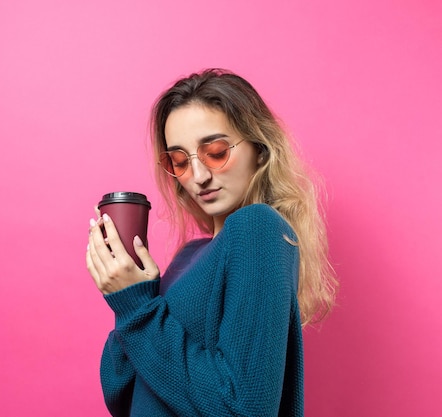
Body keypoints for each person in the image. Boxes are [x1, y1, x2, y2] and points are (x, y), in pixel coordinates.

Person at [86, 68, 337, 416]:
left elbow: (242, 408)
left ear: (259, 150)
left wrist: (140, 310)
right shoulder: (189, 255)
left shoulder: (257, 229)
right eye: (179, 161)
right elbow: (120, 392)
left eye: (216, 152)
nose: (199, 176)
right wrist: (126, 297)